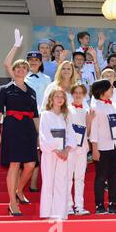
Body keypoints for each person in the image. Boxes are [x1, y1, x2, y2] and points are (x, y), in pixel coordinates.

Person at [0, 59, 39, 216]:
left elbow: (35, 116)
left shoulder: (32, 91)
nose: (21, 69)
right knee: (14, 164)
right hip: (12, 127)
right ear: (13, 70)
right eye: (17, 67)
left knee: (31, 165)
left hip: (28, 129)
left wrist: (39, 136)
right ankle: (12, 202)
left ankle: (19, 190)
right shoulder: (4, 89)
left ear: (27, 71)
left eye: (24, 67)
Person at [90, 79, 116, 215]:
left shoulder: (115, 105)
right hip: (102, 147)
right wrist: (94, 148)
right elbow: (93, 129)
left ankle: (113, 203)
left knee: (114, 176)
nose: (113, 90)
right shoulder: (96, 107)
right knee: (101, 176)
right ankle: (99, 205)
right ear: (102, 91)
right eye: (110, 88)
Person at [39, 87, 76, 220]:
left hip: (64, 155)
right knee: (49, 181)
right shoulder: (46, 114)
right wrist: (56, 149)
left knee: (62, 182)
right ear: (51, 99)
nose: (60, 99)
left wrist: (66, 150)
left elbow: (71, 134)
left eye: (62, 97)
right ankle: (46, 212)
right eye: (57, 96)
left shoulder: (67, 115)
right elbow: (44, 134)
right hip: (50, 153)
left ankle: (60, 213)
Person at [67, 84, 95, 216]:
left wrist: (89, 121)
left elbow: (88, 133)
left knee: (79, 178)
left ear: (84, 95)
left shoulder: (87, 111)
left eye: (80, 93)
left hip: (82, 148)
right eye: (75, 92)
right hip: (69, 148)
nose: (78, 95)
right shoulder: (66, 109)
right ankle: (68, 206)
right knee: (67, 177)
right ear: (72, 94)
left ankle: (79, 206)